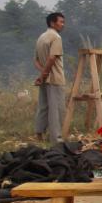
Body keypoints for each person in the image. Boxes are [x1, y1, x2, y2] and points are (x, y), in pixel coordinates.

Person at [34, 12, 67, 144]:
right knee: (56, 110)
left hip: (44, 78)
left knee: (43, 106)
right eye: (61, 22)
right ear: (52, 23)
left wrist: (42, 75)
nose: (63, 25)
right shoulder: (56, 37)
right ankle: (57, 140)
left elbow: (35, 60)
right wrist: (46, 74)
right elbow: (52, 57)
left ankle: (39, 134)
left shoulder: (41, 37)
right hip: (54, 79)